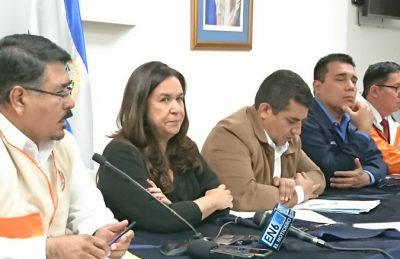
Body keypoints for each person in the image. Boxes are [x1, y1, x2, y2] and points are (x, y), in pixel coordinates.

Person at [0, 34, 134, 259]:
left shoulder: (64, 143)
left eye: (70, 89)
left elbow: (87, 208)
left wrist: (104, 231)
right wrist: (50, 249)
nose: (72, 102)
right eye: (61, 92)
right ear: (19, 98)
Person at [97, 61, 233, 233]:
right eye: (165, 100)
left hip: (190, 242)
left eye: (179, 99)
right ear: (141, 105)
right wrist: (209, 202)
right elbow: (160, 219)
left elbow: (224, 202)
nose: (177, 109)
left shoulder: (185, 147)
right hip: (142, 247)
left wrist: (176, 209)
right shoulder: (120, 154)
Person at [201, 69, 326, 211]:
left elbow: (318, 176)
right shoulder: (229, 135)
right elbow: (243, 197)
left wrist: (291, 184)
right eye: (292, 121)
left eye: (302, 121)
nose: (298, 131)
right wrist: (299, 193)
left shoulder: (290, 139)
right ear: (265, 110)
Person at [300, 53, 387, 189]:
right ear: (317, 87)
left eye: (354, 81)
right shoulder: (303, 118)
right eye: (341, 79)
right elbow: (333, 170)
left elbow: (379, 162)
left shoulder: (352, 119)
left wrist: (366, 176)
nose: (351, 87)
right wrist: (363, 131)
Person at [362, 62, 400, 174]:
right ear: (374, 91)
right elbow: (384, 156)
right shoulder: (356, 118)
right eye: (397, 87)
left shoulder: (392, 123)